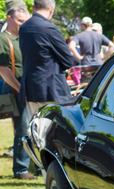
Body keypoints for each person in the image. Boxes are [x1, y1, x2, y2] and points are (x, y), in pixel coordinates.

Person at [19, 0, 74, 135]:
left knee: (38, 134)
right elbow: (68, 59)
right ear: (51, 10)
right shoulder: (49, 28)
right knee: (58, 134)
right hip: (52, 88)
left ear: (33, 8)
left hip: (31, 88)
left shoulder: (23, 28)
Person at [0, 1, 32, 179]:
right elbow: (3, 71)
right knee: (22, 128)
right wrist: (21, 89)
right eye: (19, 21)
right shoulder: (3, 39)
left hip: (25, 88)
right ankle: (21, 169)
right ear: (9, 18)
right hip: (15, 89)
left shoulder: (24, 38)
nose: (23, 24)